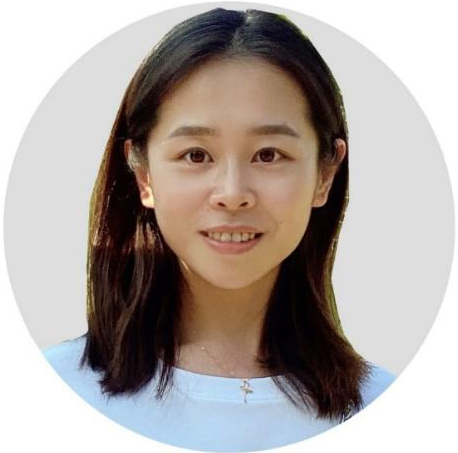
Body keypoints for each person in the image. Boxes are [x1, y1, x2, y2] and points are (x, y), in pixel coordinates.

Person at [42, 7, 396, 452]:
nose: (232, 193)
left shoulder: (389, 408)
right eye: (196, 155)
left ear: (325, 174)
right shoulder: (47, 396)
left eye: (268, 155)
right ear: (144, 175)